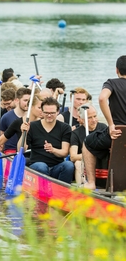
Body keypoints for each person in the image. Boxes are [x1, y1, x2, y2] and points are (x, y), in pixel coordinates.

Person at [82, 55, 126, 190]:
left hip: (117, 133)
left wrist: (111, 124)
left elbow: (102, 98)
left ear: (116, 70)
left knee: (88, 142)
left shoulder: (111, 83)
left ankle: (91, 183)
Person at [18, 97, 74, 184]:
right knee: (42, 166)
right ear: (42, 112)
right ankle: (45, 187)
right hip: (37, 166)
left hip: (56, 166)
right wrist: (23, 134)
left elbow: (65, 152)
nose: (49, 115)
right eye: (46, 113)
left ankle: (62, 190)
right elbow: (21, 150)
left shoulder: (65, 128)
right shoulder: (32, 126)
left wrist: (53, 150)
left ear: (58, 112)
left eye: (52, 113)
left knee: (69, 165)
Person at [0, 94, 43, 162]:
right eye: (40, 108)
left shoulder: (44, 122)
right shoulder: (18, 122)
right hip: (24, 158)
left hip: (41, 158)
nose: (43, 110)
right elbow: (1, 139)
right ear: (31, 107)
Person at [70, 103, 107, 184]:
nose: (94, 120)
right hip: (85, 164)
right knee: (78, 163)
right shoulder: (76, 133)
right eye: (89, 118)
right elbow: (73, 156)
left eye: (95, 116)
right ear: (82, 119)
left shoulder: (103, 128)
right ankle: (82, 188)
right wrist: (90, 156)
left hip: (102, 162)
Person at [0, 87, 31, 154]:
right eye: (25, 100)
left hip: (28, 150)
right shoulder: (6, 117)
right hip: (11, 150)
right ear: (16, 100)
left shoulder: (34, 117)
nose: (28, 103)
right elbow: (0, 137)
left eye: (30, 101)